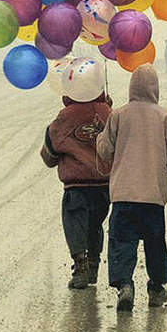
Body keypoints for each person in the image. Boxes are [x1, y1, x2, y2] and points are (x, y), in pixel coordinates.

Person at [97, 64, 167, 311]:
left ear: (132, 87)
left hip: (123, 195)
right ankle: (156, 289)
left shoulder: (118, 115)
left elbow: (104, 151)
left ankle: (125, 285)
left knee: (121, 242)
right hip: (152, 196)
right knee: (155, 243)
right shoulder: (165, 117)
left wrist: (101, 134)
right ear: (155, 88)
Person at [40, 91, 112, 289]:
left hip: (76, 186)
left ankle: (81, 267)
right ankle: (94, 265)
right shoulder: (107, 111)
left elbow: (49, 153)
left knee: (75, 224)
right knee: (95, 225)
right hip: (104, 183)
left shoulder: (66, 116)